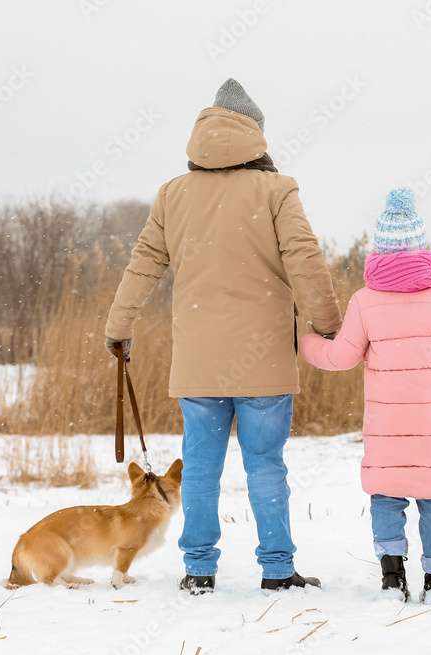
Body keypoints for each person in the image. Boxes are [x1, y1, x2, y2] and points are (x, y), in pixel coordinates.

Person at [105, 79, 342, 594]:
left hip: (200, 361)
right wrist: (327, 323)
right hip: (264, 360)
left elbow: (143, 265)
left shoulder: (174, 194)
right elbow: (305, 260)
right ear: (254, 134)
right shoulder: (277, 189)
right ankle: (278, 570)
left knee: (203, 469)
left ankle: (198, 570)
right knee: (265, 467)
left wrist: (118, 328)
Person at [299, 188, 431, 603]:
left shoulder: (365, 302)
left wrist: (306, 342)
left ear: (378, 252)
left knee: (386, 495)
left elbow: (341, 357)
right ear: (422, 250)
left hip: (386, 427)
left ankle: (391, 578)